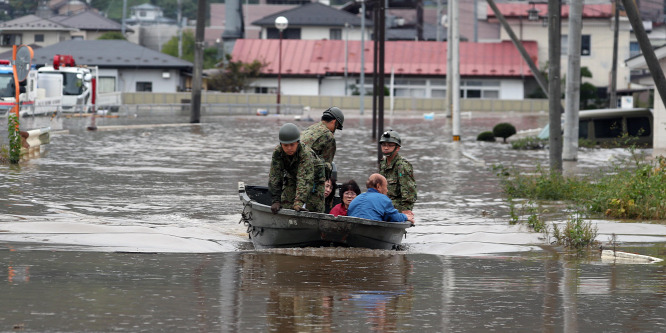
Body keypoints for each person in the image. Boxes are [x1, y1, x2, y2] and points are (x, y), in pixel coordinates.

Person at [268, 123, 326, 213]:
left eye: (292, 145)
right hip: (292, 176)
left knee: (314, 208)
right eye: (285, 145)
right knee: (286, 204)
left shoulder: (305, 154)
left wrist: (298, 203)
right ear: (281, 144)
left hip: (315, 179)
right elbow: (275, 176)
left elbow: (305, 179)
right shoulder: (277, 152)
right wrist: (276, 200)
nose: (289, 148)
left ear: (298, 143)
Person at [347, 174, 414, 223]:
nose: (387, 190)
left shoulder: (355, 199)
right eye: (386, 187)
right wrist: (405, 217)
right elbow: (394, 217)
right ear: (378, 186)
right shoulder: (384, 199)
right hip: (372, 230)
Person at [378, 129, 417, 215]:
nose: (386, 148)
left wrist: (406, 209)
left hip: (396, 207)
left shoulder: (402, 165)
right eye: (383, 145)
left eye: (390, 145)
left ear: (397, 148)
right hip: (383, 203)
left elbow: (409, 191)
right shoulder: (383, 163)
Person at [300, 106, 344, 177]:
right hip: (306, 174)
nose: (334, 131)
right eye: (336, 127)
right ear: (334, 122)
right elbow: (326, 167)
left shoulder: (311, 128)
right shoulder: (328, 136)